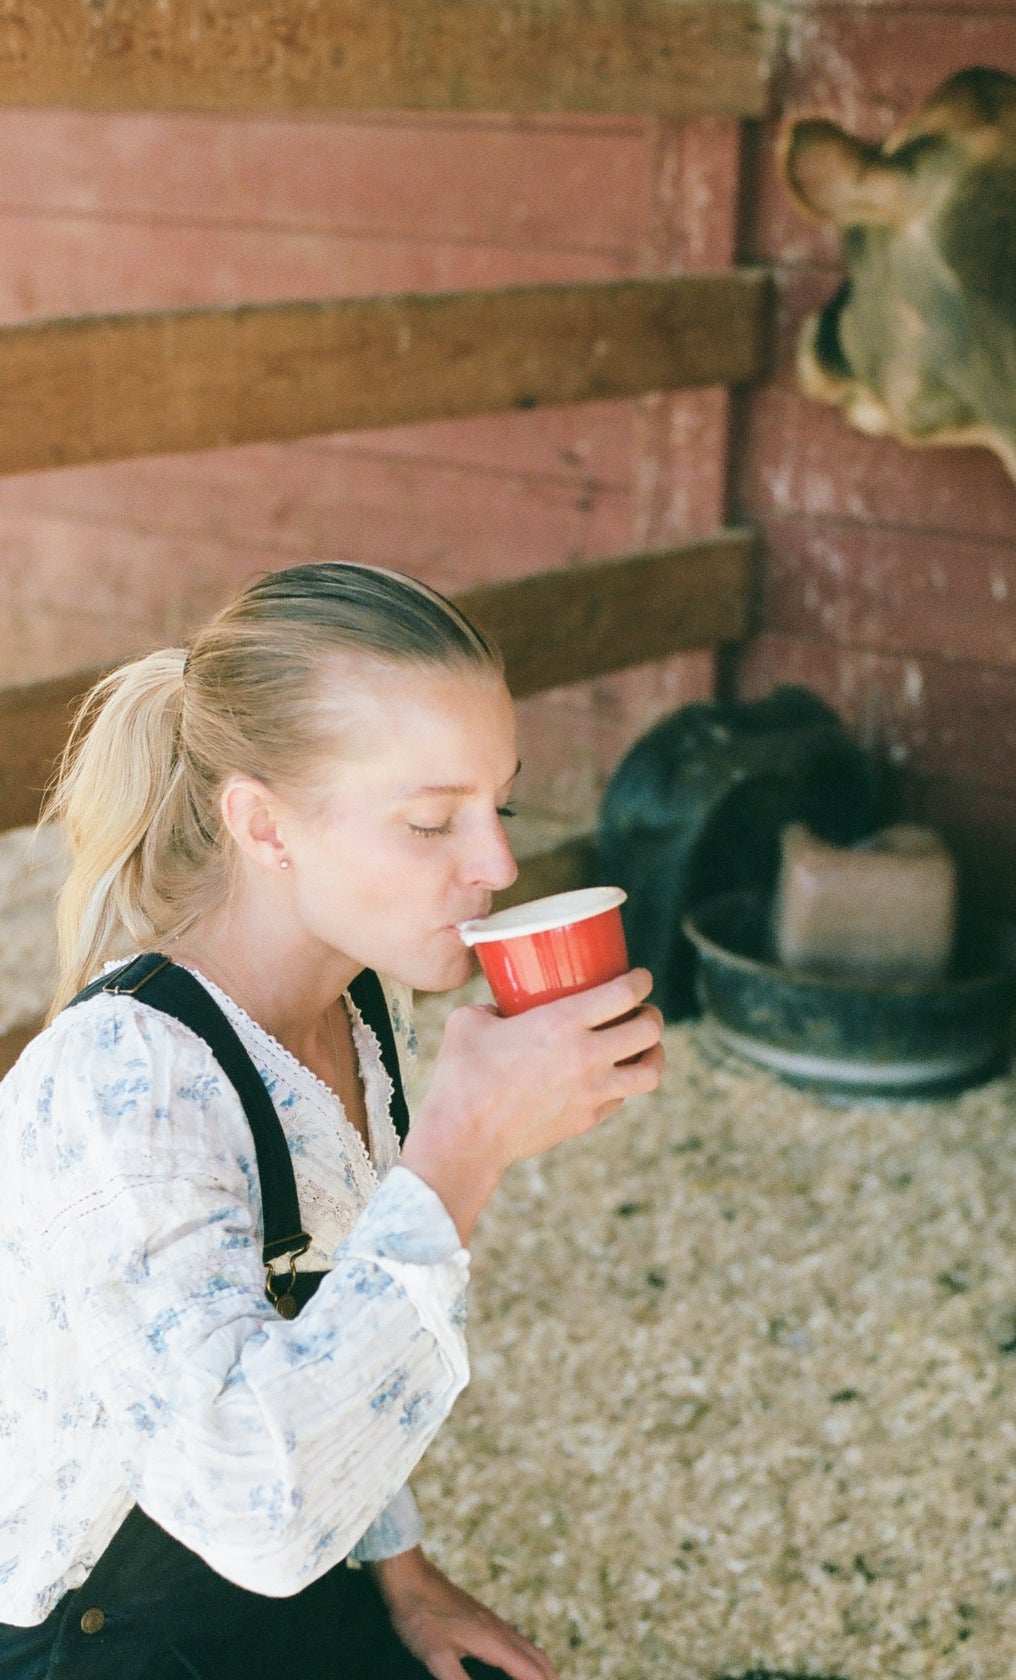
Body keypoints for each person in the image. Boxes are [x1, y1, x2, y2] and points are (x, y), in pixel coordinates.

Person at [0, 561, 665, 1680]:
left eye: (496, 803)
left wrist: (404, 1577)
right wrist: (462, 1151)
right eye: (429, 821)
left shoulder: (361, 1003)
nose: (497, 863)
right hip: (80, 1629)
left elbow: (314, 1325)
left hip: (281, 1561)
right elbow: (250, 1507)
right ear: (264, 827)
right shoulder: (126, 1081)